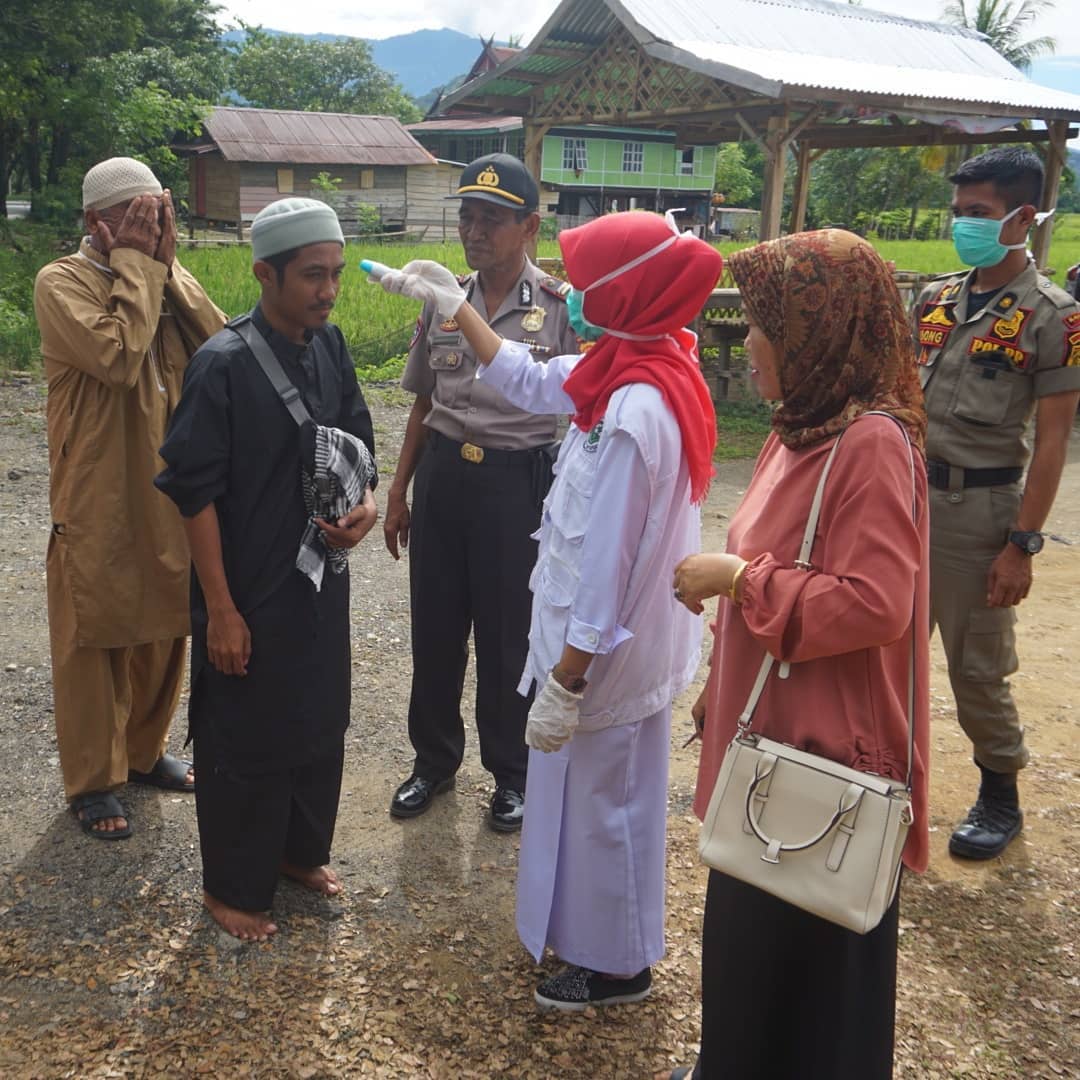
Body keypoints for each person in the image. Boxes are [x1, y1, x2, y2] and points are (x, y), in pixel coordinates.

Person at [370, 208, 721, 1009]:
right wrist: (450, 302)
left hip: (603, 651)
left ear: (627, 296)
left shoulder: (636, 409)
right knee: (591, 798)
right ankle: (591, 940)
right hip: (599, 647)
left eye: (595, 286)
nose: (580, 299)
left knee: (610, 807)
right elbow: (529, 374)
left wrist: (568, 676)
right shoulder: (633, 365)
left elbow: (607, 560)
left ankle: (619, 966)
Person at [667, 230, 930, 1079]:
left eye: (764, 324)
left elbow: (877, 604)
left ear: (821, 330)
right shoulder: (799, 427)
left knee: (815, 966)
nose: (747, 343)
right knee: (748, 947)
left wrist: (741, 579)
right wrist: (719, 673)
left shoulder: (872, 447)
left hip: (822, 756)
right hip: (768, 735)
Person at [155, 198, 378, 941]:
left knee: (319, 718)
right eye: (313, 275)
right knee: (246, 731)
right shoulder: (220, 364)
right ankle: (232, 887)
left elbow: (356, 436)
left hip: (319, 582)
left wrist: (366, 507)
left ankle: (297, 853)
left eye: (336, 274)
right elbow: (193, 491)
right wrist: (218, 607)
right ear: (265, 273)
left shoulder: (331, 344)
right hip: (247, 586)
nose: (327, 290)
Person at [383, 153, 580, 831]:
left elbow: (580, 409)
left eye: (491, 219)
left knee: (508, 637)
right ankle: (432, 763)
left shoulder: (557, 308)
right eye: (467, 216)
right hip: (443, 477)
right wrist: (399, 490)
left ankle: (510, 773)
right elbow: (421, 402)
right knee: (435, 629)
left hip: (515, 486)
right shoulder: (445, 297)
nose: (474, 230)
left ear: (529, 226)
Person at [33, 157, 225, 839]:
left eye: (159, 215)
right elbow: (118, 355)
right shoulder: (61, 281)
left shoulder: (161, 274)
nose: (151, 229)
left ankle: (143, 753)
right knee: (96, 630)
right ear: (96, 223)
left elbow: (223, 344)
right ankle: (93, 780)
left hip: (167, 485)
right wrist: (141, 269)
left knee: (166, 619)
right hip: (98, 490)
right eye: (137, 218)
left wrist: (167, 268)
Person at [914, 147, 1080, 859]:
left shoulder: (1055, 317)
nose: (964, 228)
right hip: (905, 501)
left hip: (977, 515)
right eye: (958, 215)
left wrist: (1022, 544)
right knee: (884, 649)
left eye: (977, 215)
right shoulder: (933, 298)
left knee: (976, 665)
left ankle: (999, 794)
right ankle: (884, 777)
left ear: (1021, 216)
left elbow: (1051, 444)